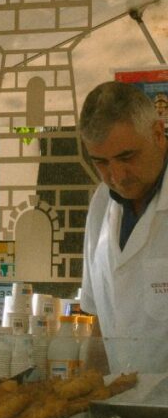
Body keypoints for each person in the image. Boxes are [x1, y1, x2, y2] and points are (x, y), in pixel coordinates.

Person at [79, 81, 168, 372]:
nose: (116, 176)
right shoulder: (101, 204)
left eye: (126, 157)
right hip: (121, 407)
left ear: (158, 135)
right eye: (101, 162)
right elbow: (100, 328)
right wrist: (88, 401)